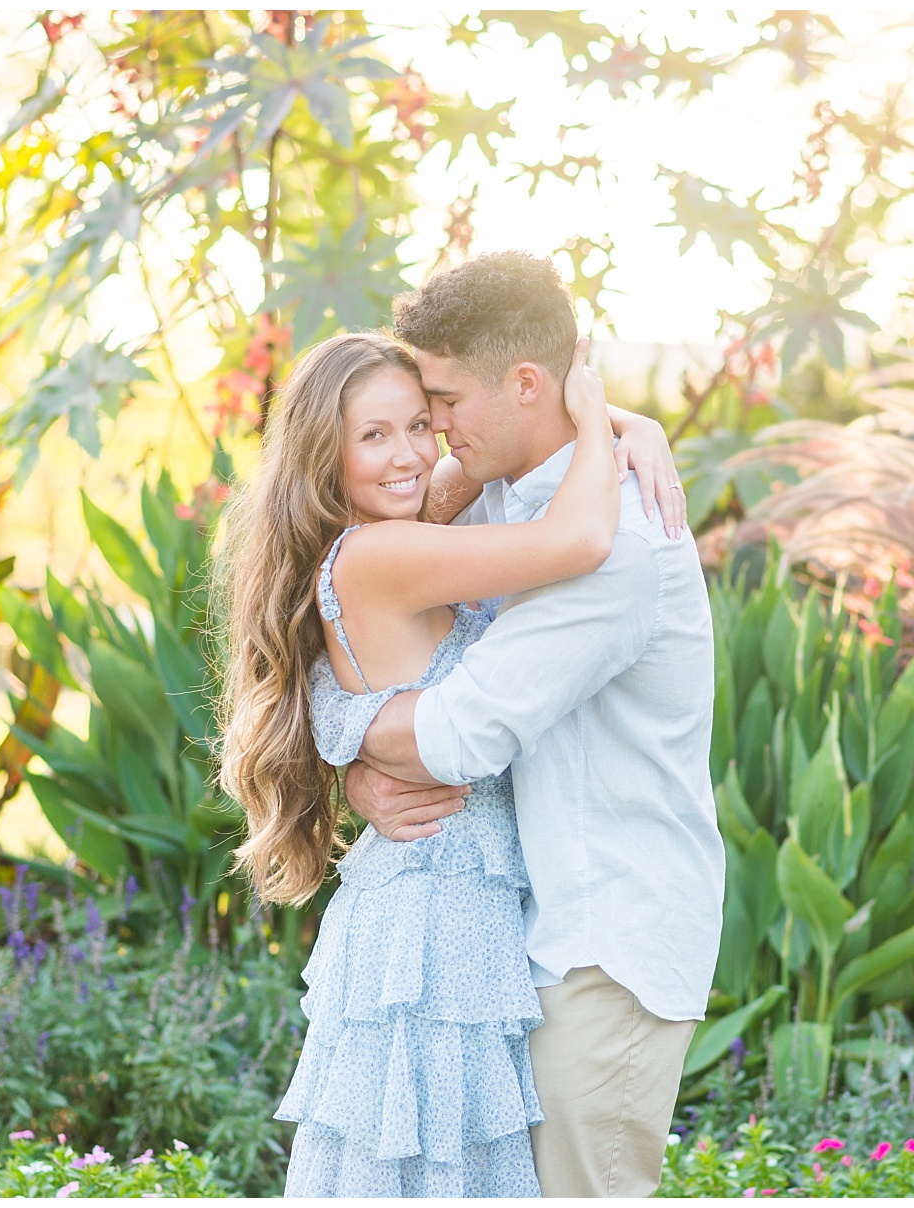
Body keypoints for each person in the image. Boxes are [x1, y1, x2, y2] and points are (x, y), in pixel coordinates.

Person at [214, 327, 681, 1196]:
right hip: (435, 921)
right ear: (328, 456)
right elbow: (578, 540)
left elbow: (505, 430)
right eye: (373, 436)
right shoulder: (384, 551)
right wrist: (593, 406)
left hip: (447, 897)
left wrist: (630, 425)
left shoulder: (402, 525)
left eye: (419, 426)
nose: (408, 455)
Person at [341, 252, 726, 1198]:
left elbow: (458, 737)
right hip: (531, 939)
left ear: (525, 384)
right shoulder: (503, 497)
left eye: (444, 399)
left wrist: (347, 734)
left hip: (606, 948)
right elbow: (414, 653)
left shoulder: (617, 543)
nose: (431, 426)